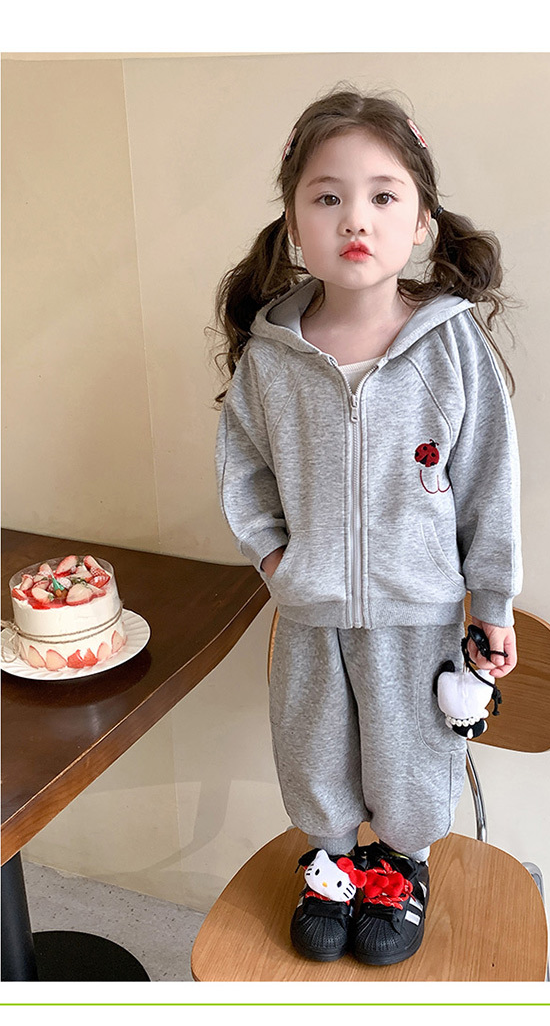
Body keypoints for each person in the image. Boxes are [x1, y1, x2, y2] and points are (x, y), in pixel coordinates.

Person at [213, 87, 521, 967]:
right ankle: (330, 863)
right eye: (328, 196)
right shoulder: (272, 358)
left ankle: (401, 866)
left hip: (419, 614)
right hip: (309, 610)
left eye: (384, 195)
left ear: (421, 220)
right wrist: (275, 558)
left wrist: (492, 602)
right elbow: (244, 469)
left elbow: (490, 483)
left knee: (409, 755)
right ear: (293, 224)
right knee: (313, 748)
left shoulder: (450, 347)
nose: (356, 217)